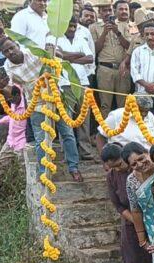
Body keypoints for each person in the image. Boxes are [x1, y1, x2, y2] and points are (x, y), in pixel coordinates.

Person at [0, 37, 82, 182]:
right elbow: (13, 91)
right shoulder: (7, 67)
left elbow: (56, 59)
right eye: (6, 51)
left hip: (55, 98)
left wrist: (54, 52)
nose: (10, 52)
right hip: (35, 103)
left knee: (67, 133)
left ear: (17, 45)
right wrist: (1, 87)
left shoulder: (33, 51)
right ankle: (44, 173)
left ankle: (74, 168)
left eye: (11, 47)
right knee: (40, 139)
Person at [103, 143, 151, 263]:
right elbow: (117, 204)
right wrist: (137, 222)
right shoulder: (112, 177)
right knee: (135, 262)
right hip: (131, 222)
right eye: (113, 167)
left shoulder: (138, 170)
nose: (118, 169)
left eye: (120, 164)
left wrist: (149, 220)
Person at [56, 16, 96, 161]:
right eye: (69, 26)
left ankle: (85, 151)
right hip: (64, 84)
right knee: (66, 119)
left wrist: (68, 57)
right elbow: (57, 55)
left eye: (74, 26)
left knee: (84, 118)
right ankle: (68, 152)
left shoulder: (80, 39)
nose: (72, 29)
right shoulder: (56, 39)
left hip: (82, 83)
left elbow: (90, 58)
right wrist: (78, 55)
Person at [89, 0, 136, 116]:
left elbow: (130, 47)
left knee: (123, 105)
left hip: (123, 69)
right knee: (105, 105)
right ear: (99, 13)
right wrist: (104, 33)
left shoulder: (125, 26)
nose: (107, 13)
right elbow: (94, 50)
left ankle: (122, 132)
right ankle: (105, 133)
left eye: (109, 10)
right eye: (104, 11)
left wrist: (117, 32)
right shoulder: (93, 27)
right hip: (105, 69)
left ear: (113, 11)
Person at [0, 86, 27, 172]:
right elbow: (11, 116)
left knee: (23, 168)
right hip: (10, 141)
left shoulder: (27, 107)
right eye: (7, 98)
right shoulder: (13, 103)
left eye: (10, 98)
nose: (9, 100)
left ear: (17, 95)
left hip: (22, 142)